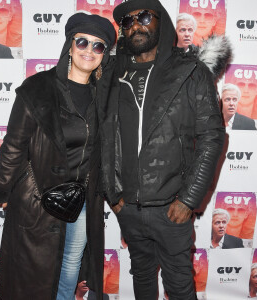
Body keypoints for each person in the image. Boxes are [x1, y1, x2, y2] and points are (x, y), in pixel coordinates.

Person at [100, 0, 227, 299]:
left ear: (162, 22)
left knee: (180, 285)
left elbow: (211, 136)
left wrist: (188, 199)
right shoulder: (109, 74)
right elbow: (101, 137)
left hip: (172, 208)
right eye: (127, 21)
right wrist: (113, 194)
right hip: (127, 207)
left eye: (144, 16)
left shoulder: (191, 71)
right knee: (142, 276)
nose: (136, 25)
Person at [0, 12, 115, 300]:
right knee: (32, 277)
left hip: (81, 201)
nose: (89, 51)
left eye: (98, 46)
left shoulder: (105, 97)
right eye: (82, 42)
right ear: (70, 44)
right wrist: (1, 189)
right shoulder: (38, 88)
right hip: (37, 199)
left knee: (70, 268)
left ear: (104, 54)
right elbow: (13, 146)